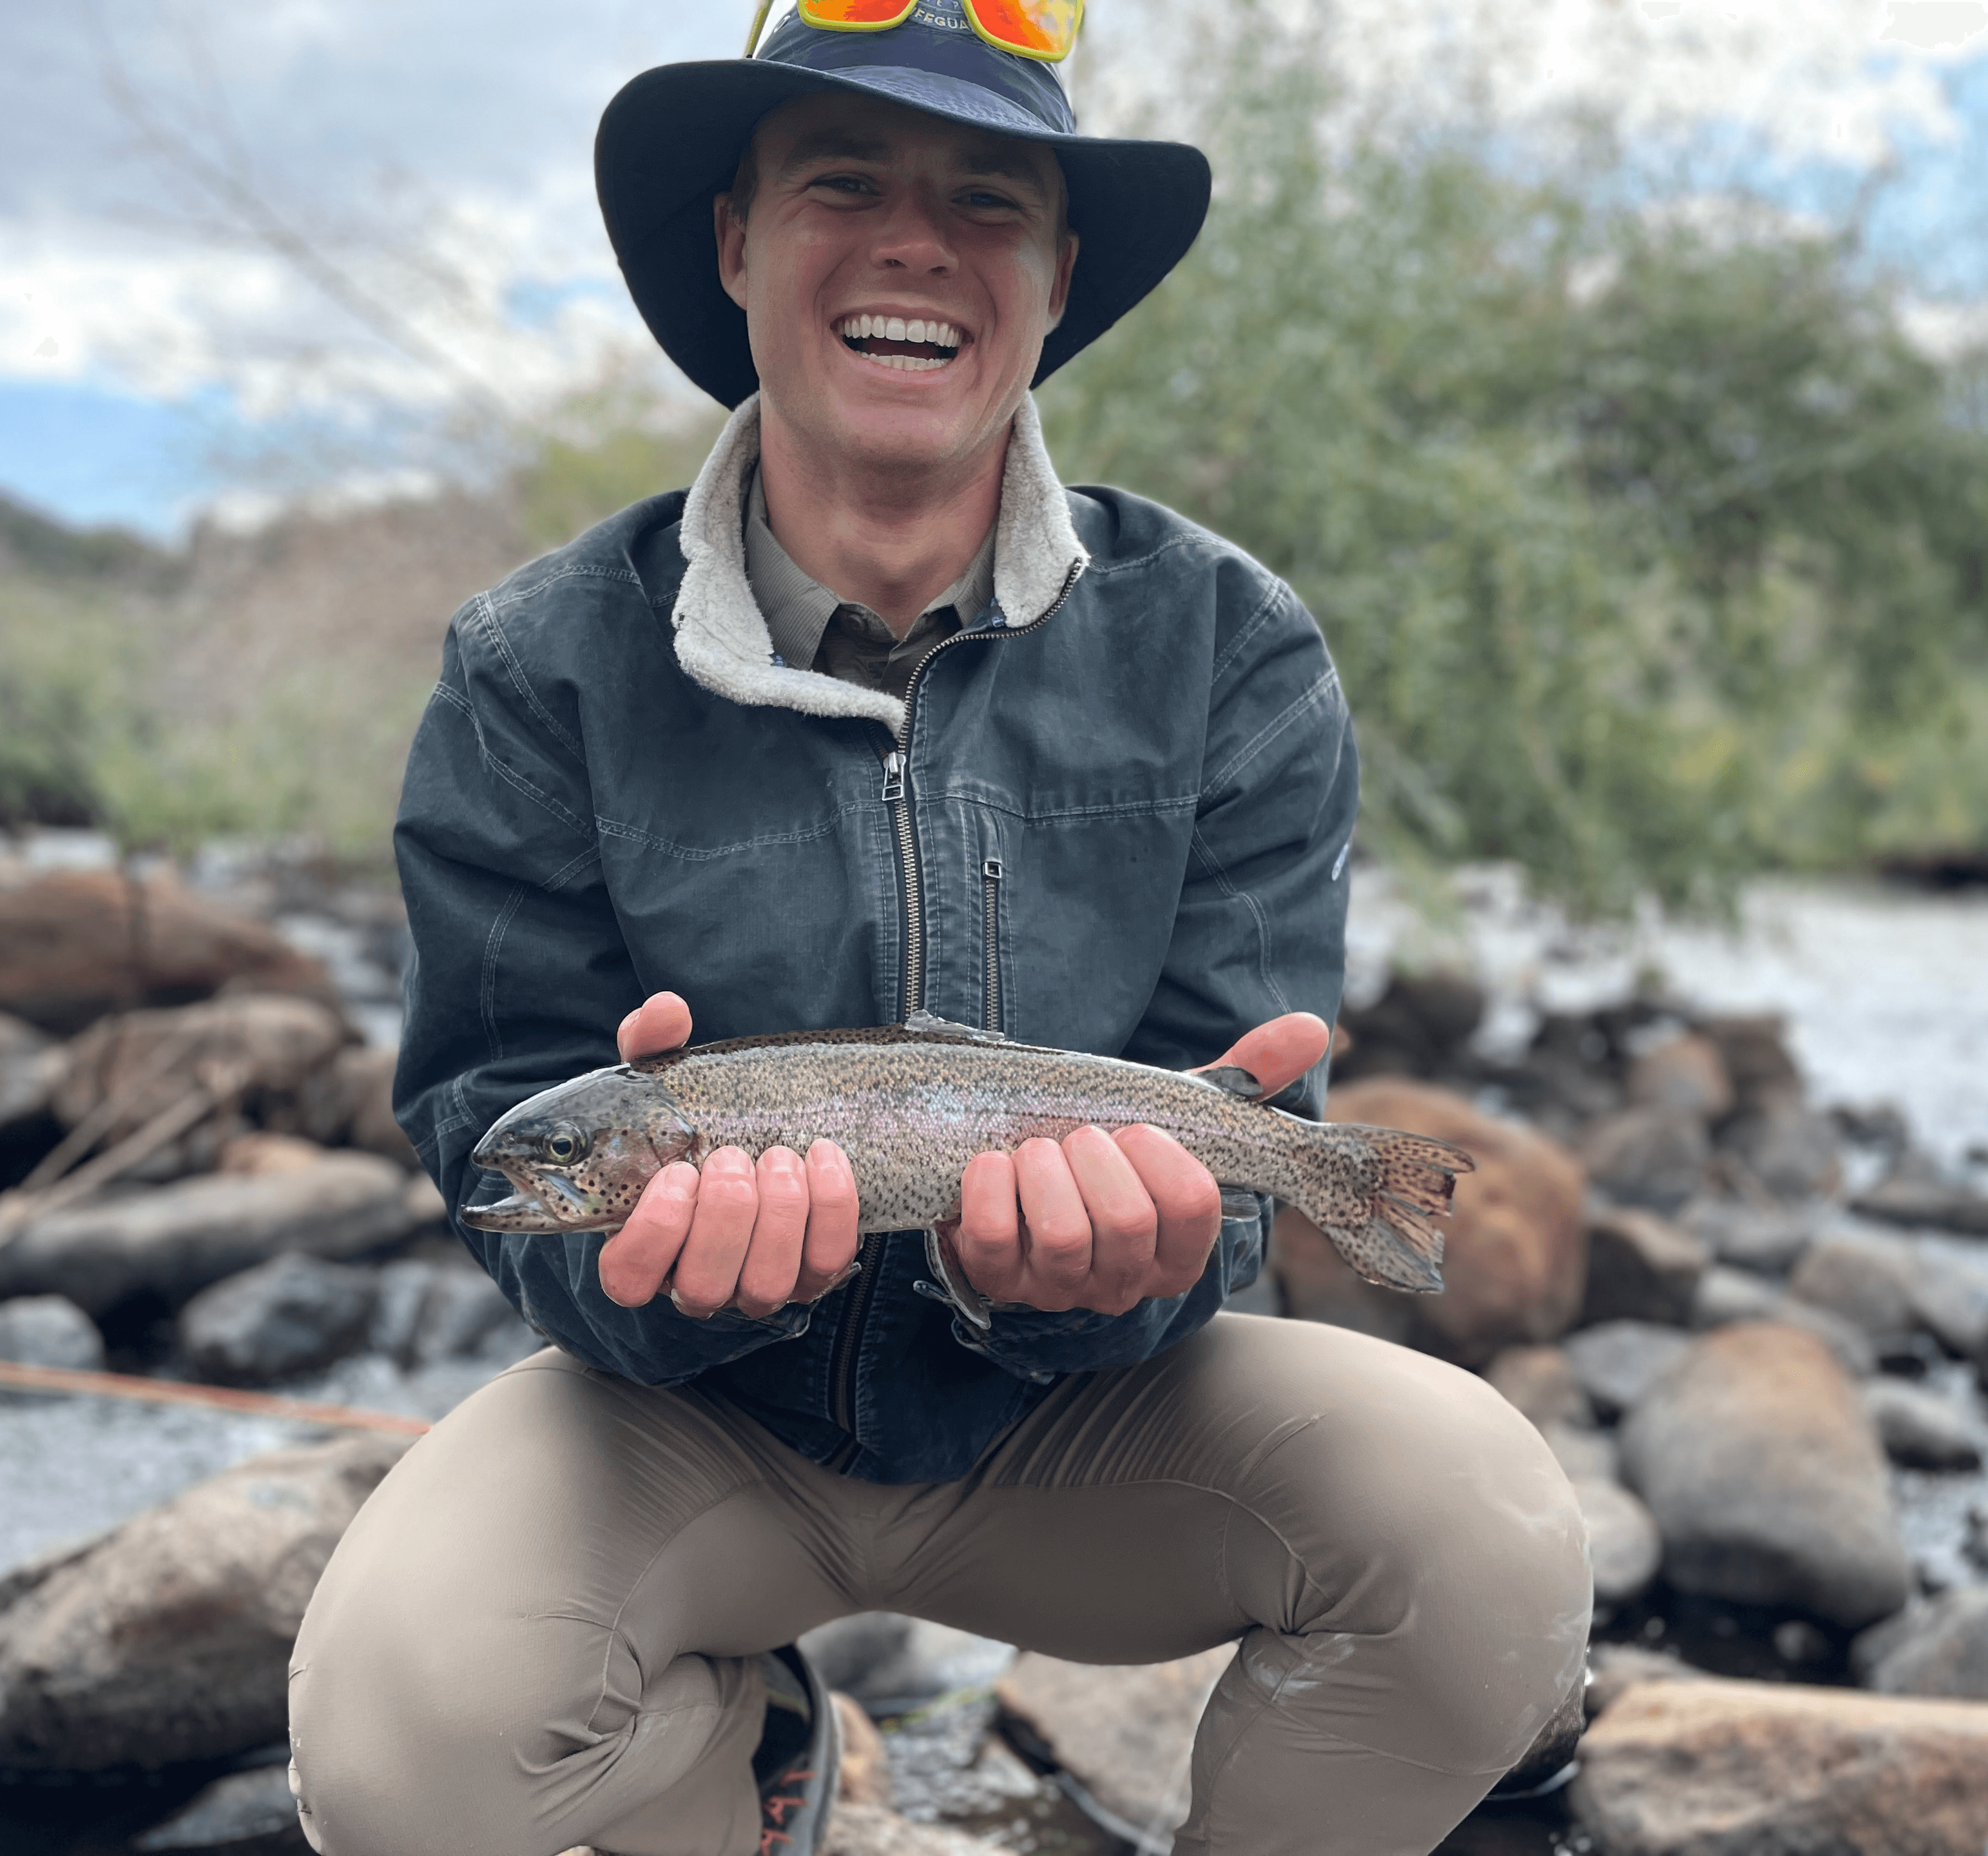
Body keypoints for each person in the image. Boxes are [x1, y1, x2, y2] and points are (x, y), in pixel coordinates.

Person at [287, 6, 1591, 1853]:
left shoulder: (1230, 648)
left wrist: (1148, 1246)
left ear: (1056, 279)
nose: (916, 240)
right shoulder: (536, 666)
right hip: (692, 1432)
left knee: (1490, 1540)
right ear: (735, 240)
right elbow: (494, 1124)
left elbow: (1245, 1116)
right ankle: (736, 1772)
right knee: (395, 1738)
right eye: (843, 181)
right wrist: (631, 1271)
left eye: (989, 198)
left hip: (1088, 1433)